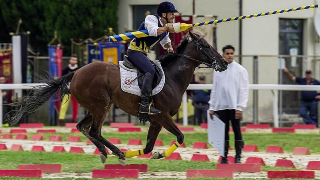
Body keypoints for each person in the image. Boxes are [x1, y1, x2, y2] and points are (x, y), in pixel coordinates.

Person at [127, 1, 185, 115]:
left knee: (157, 71)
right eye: (171, 13)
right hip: (134, 51)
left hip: (142, 53)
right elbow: (154, 31)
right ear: (164, 14)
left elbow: (165, 39)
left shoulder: (164, 27)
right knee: (150, 70)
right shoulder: (151, 19)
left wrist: (169, 46)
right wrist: (168, 28)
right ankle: (144, 105)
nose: (174, 16)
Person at [208, 45, 249, 164]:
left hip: (234, 106)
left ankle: (238, 157)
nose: (230, 55)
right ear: (223, 55)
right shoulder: (217, 69)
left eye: (232, 53)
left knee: (237, 130)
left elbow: (244, 89)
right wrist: (212, 106)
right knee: (223, 132)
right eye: (227, 53)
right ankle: (224, 157)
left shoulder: (240, 70)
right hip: (221, 106)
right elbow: (214, 89)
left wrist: (240, 107)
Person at [58, 55, 79, 126]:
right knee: (64, 105)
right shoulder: (65, 70)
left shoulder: (79, 70)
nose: (73, 61)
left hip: (75, 91)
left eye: (75, 60)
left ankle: (74, 120)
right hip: (67, 90)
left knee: (75, 106)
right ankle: (61, 120)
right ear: (70, 60)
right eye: (72, 60)